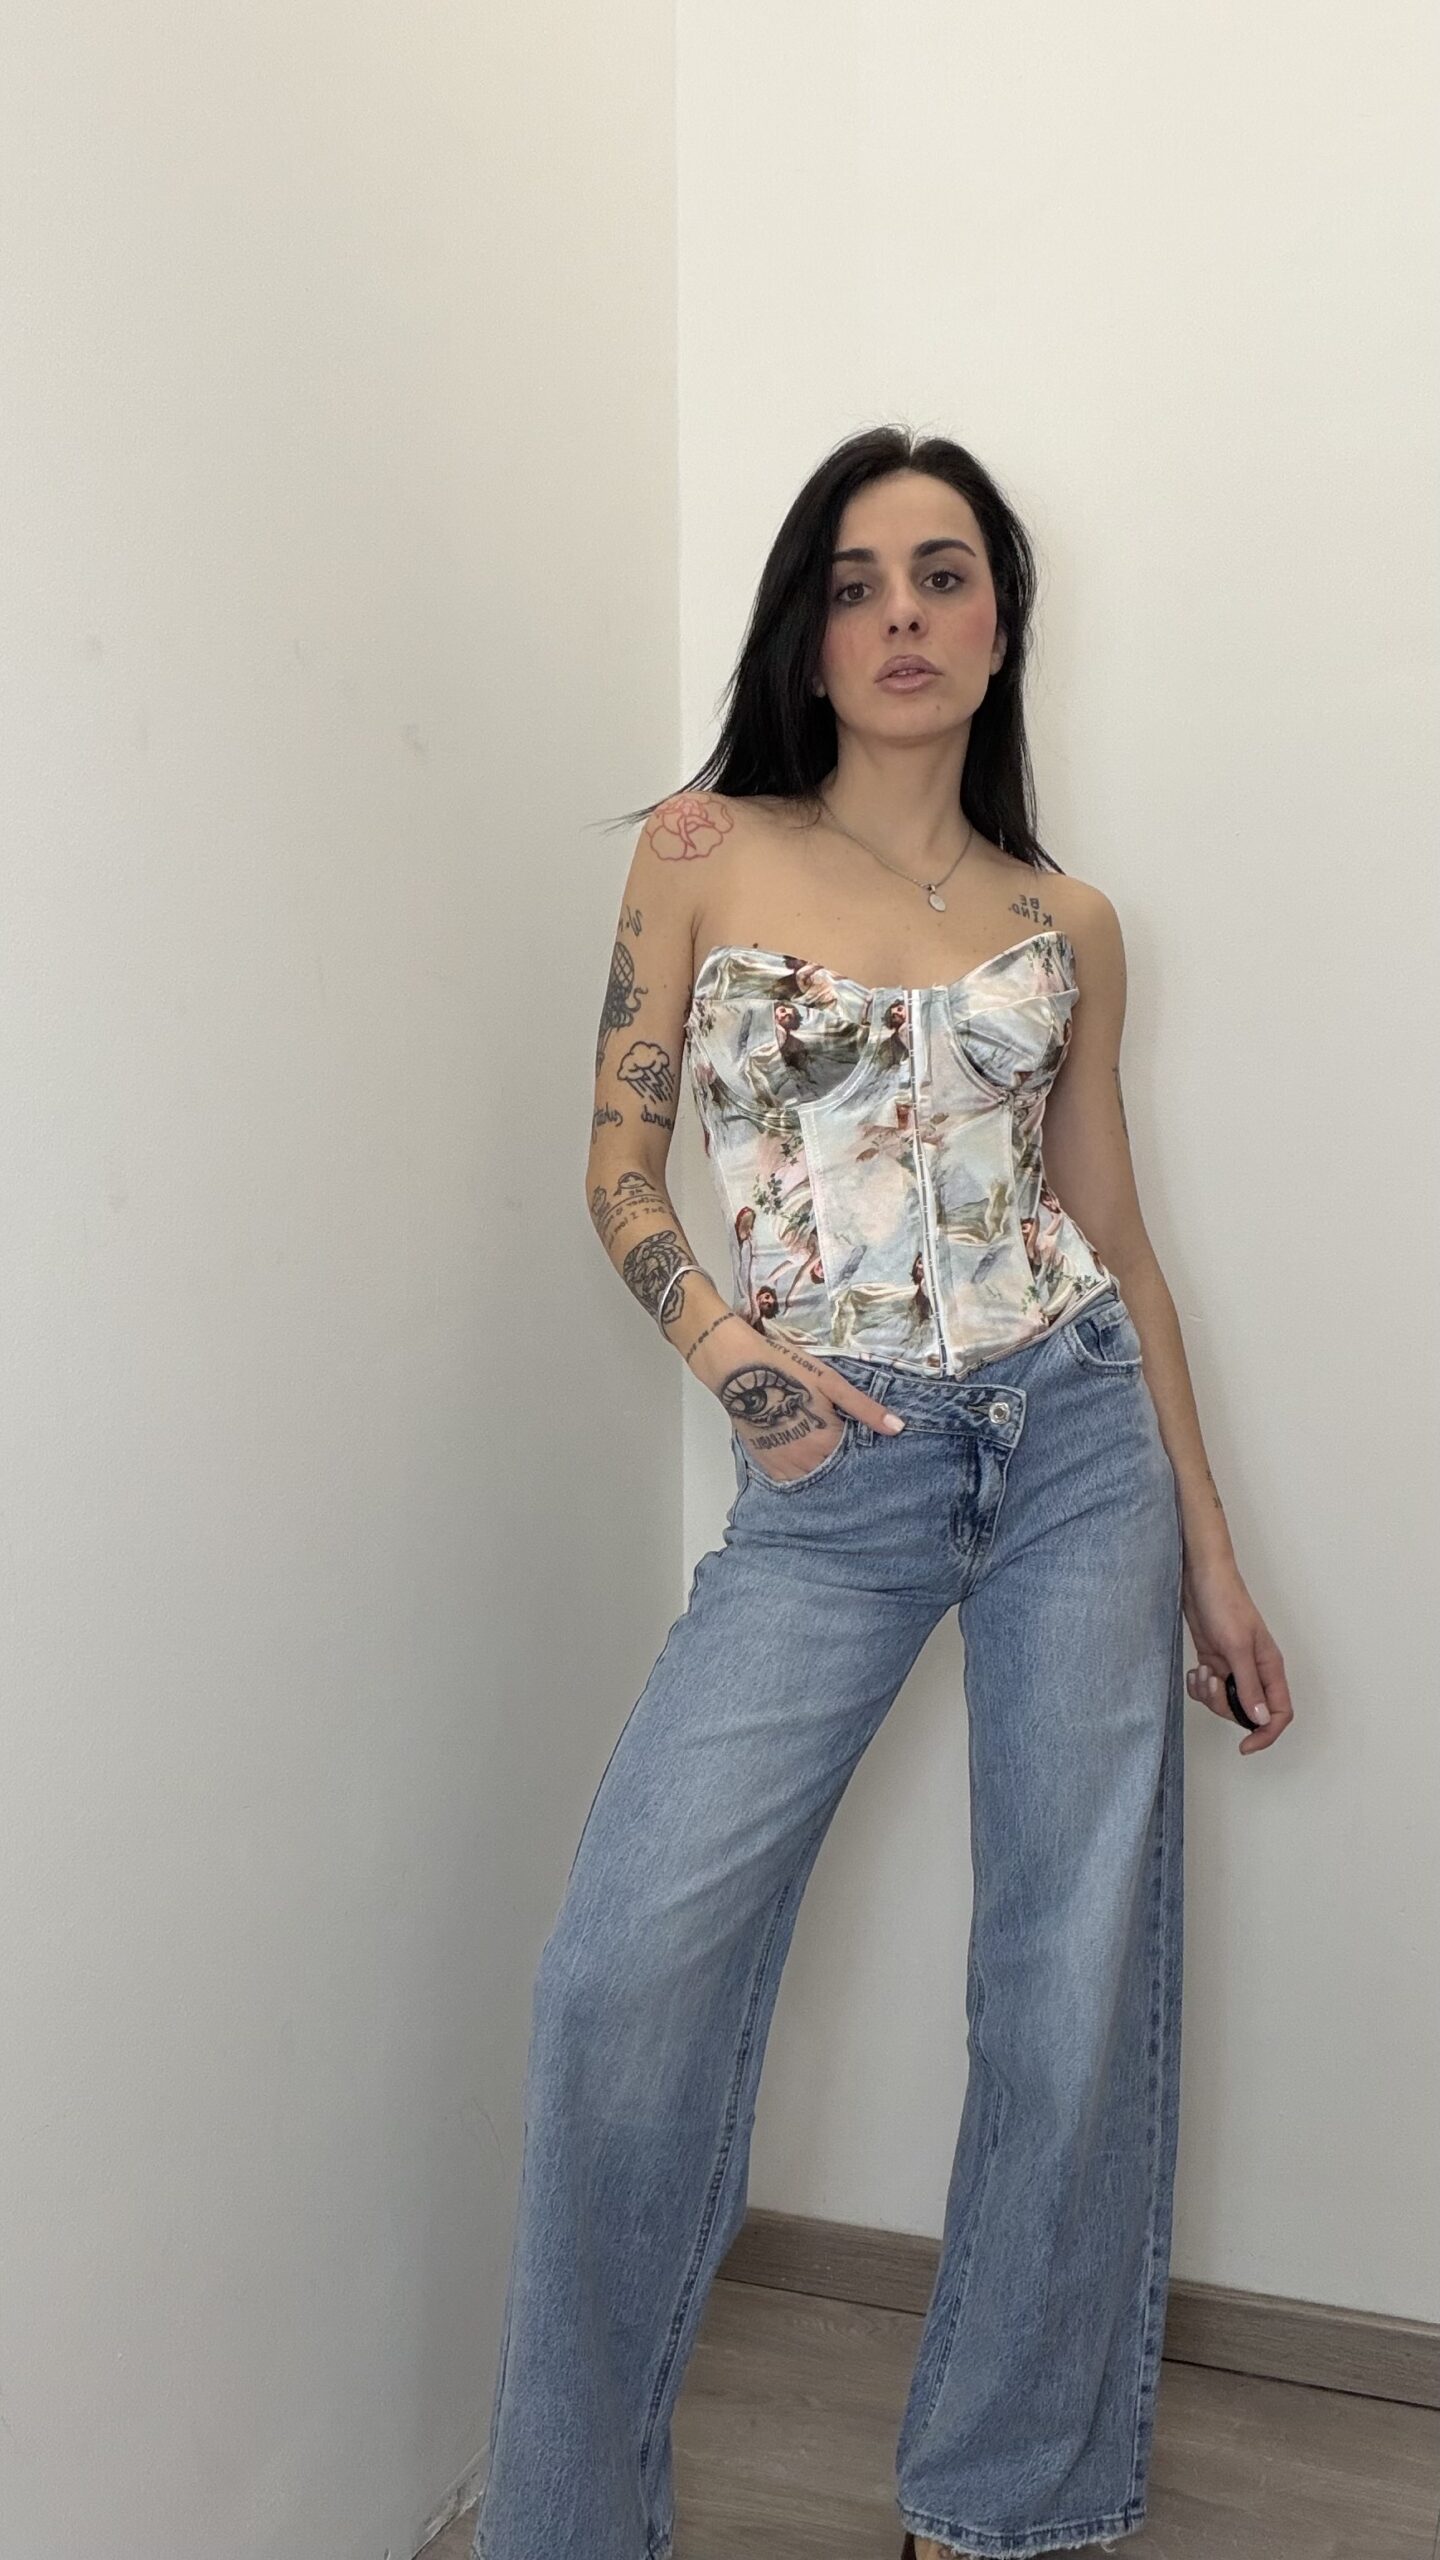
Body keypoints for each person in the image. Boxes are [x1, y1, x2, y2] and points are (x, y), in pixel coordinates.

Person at [471, 426, 1294, 2560]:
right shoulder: (703, 851)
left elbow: (1118, 1238)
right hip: (837, 1472)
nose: (902, 615)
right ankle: (570, 2526)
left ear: (1002, 621)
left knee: (1066, 1984)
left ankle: (999, 2502)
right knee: (618, 1970)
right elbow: (616, 1167)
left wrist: (1211, 1553)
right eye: (855, 582)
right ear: (808, 634)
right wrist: (735, 1358)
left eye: (943, 574)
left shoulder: (1066, 922)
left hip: (1079, 1442)